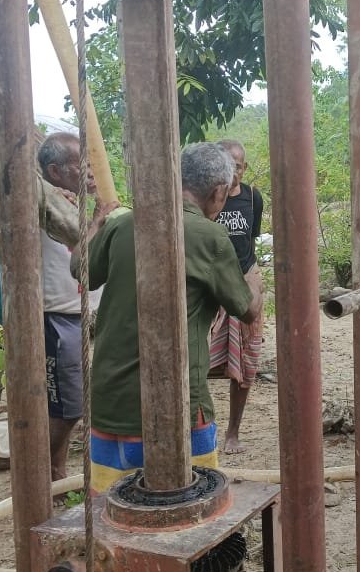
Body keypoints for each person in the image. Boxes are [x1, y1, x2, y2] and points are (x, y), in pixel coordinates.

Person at [84, 143, 260, 493]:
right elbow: (247, 310)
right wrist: (254, 279)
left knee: (111, 510)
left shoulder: (124, 224)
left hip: (109, 407)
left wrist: (95, 225)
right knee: (193, 506)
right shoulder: (209, 236)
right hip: (177, 411)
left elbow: (82, 271)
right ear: (219, 192)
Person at [36, 132, 105, 482]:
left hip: (79, 315)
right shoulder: (41, 200)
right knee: (66, 406)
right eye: (81, 165)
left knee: (69, 404)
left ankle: (55, 472)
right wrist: (98, 220)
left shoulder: (71, 202)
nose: (90, 172)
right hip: (57, 317)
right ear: (54, 171)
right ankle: (49, 472)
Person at [210, 140, 266, 454]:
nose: (234, 173)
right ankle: (200, 428)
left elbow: (249, 242)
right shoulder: (207, 197)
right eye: (228, 166)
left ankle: (233, 432)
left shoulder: (252, 197)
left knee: (245, 364)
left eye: (239, 167)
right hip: (211, 285)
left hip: (244, 283)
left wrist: (252, 279)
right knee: (199, 360)